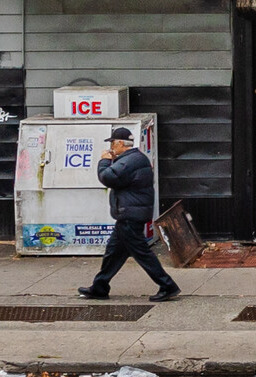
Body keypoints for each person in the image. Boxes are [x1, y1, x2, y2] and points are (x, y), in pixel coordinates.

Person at [77, 126, 180, 302]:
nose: (111, 148)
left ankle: (168, 285)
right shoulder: (135, 158)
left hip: (130, 214)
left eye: (112, 144)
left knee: (142, 253)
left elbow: (108, 177)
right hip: (130, 213)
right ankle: (100, 287)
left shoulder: (129, 161)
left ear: (119, 143)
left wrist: (104, 161)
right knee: (113, 252)